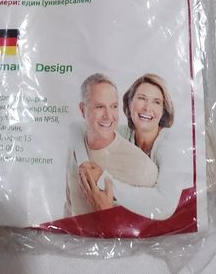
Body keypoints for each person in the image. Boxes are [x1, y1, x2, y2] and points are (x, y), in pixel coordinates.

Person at [77, 73, 186, 220]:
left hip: (179, 219)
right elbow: (78, 128)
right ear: (129, 103)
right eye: (141, 98)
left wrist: (103, 182)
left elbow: (164, 205)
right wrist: (84, 164)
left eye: (156, 102)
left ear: (163, 111)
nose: (147, 107)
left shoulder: (171, 145)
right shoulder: (123, 133)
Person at [65, 73, 158, 217]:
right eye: (100, 107)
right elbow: (69, 206)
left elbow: (148, 223)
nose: (109, 116)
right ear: (83, 110)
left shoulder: (143, 169)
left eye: (114, 106)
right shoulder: (76, 145)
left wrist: (105, 213)